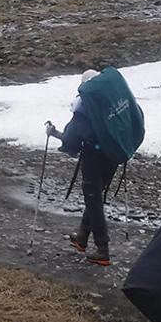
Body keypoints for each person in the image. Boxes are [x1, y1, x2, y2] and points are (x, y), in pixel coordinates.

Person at [45, 69, 116, 265]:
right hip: (112, 158)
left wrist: (55, 133)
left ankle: (103, 250)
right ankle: (82, 238)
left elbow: (71, 140)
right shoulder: (111, 101)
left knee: (94, 201)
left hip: (93, 159)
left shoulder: (85, 107)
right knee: (95, 198)